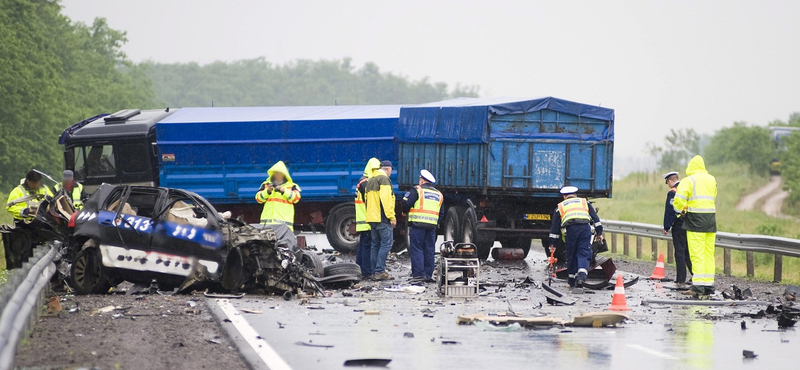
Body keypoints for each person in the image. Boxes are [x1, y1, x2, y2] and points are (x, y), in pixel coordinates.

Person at [673, 155, 717, 297]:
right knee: (708, 254)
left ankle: (698, 286)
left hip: (695, 221)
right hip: (710, 221)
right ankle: (708, 285)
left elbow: (679, 200)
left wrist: (681, 211)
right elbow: (713, 196)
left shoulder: (689, 180)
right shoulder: (711, 179)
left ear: (690, 167)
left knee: (696, 254)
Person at [548, 186, 603, 289]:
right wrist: (599, 233)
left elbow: (554, 229)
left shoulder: (560, 207)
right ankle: (581, 276)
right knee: (583, 252)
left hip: (571, 230)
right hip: (585, 229)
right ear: (575, 195)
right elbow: (596, 219)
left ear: (564, 197)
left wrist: (552, 244)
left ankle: (572, 280)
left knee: (571, 254)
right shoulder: (585, 202)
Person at [402, 169, 443, 284]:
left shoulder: (417, 190)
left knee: (417, 249)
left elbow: (406, 203)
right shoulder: (438, 194)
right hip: (431, 226)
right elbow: (442, 212)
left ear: (422, 180)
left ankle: (419, 274)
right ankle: (428, 274)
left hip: (417, 224)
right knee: (429, 250)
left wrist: (405, 212)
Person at [366, 160, 396, 281]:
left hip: (372, 217)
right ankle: (380, 271)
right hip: (382, 217)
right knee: (386, 244)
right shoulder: (384, 180)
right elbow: (386, 200)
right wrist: (391, 217)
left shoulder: (371, 179)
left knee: (375, 245)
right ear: (388, 169)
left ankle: (374, 271)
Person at [662, 171, 693, 285]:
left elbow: (669, 211)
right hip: (690, 223)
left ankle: (681, 279)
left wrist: (666, 226)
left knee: (679, 251)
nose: (668, 185)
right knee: (688, 251)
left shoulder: (673, 192)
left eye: (667, 182)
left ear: (670, 181)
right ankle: (695, 275)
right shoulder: (686, 188)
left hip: (678, 224)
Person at [255, 161, 301, 231]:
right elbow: (258, 199)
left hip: (284, 225)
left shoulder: (291, 186)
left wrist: (283, 191)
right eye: (276, 173)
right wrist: (267, 191)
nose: (277, 175)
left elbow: (296, 198)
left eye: (279, 173)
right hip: (267, 224)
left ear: (284, 174)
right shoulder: (266, 185)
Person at [355, 158, 381, 279]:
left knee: (363, 245)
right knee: (367, 245)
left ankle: (359, 267)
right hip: (366, 218)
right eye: (374, 169)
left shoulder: (363, 180)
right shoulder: (366, 182)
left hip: (363, 218)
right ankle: (367, 271)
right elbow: (370, 201)